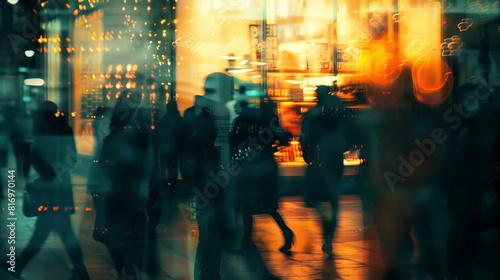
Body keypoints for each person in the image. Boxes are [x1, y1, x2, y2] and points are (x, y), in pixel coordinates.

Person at [7, 101, 90, 279]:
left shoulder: (42, 133)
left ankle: (19, 266)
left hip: (50, 190)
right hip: (59, 189)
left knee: (48, 232)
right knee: (53, 231)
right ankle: (80, 270)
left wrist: (43, 169)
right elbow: (73, 158)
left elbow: (35, 162)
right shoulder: (63, 130)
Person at [96, 90, 155, 278]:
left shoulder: (128, 134)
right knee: (123, 236)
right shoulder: (137, 133)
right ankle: (126, 269)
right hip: (126, 194)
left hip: (122, 194)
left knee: (117, 237)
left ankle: (126, 270)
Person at [231, 95, 294, 254]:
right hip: (265, 168)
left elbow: (234, 144)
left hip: (248, 167)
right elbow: (284, 139)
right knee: (268, 206)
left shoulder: (241, 123)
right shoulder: (269, 123)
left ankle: (246, 242)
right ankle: (286, 231)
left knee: (247, 206)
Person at [299, 85, 347, 258]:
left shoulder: (312, 114)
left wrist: (307, 155)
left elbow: (303, 137)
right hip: (334, 161)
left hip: (318, 161)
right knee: (333, 200)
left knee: (317, 200)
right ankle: (329, 237)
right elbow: (346, 139)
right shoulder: (338, 113)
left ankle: (325, 232)